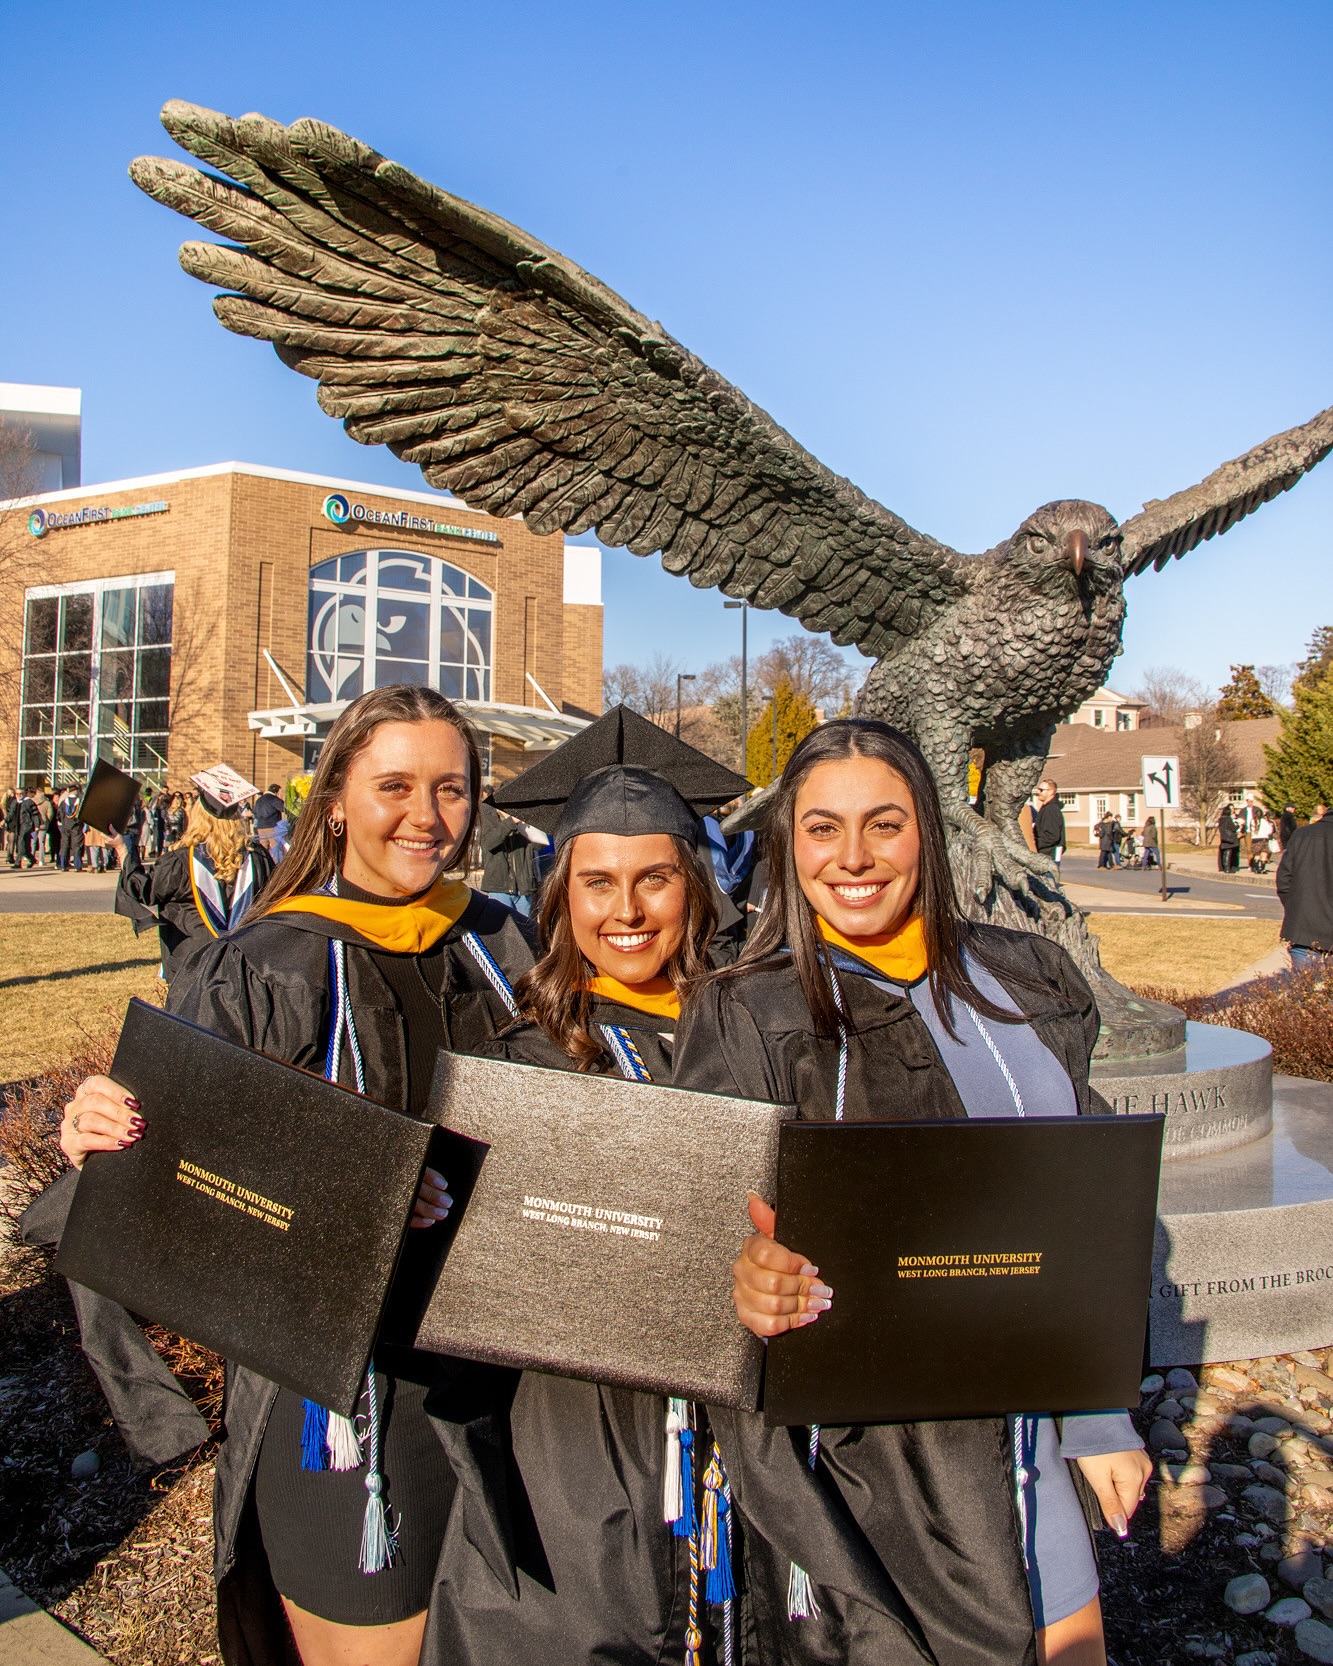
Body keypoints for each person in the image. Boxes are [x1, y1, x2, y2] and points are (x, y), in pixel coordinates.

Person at [45, 684, 538, 1666]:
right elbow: (179, 1166)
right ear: (336, 801)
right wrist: (103, 1129)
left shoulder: (503, 940)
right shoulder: (272, 958)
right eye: (394, 784)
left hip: (520, 1387)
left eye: (452, 788)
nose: (427, 815)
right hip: (354, 1409)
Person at [672, 718, 1152, 1666]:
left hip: (1025, 1425)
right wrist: (738, 1271)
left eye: (883, 824)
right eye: (821, 828)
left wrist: (1098, 1414)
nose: (852, 857)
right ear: (787, 843)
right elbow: (704, 1215)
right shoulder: (748, 1010)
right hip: (868, 1454)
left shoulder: (1029, 980)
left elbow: (1085, 1200)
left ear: (926, 833)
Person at [432, 708, 750, 1665]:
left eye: (655, 877)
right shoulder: (510, 1049)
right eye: (597, 882)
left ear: (694, 888)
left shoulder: (758, 1032)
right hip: (569, 1449)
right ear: (558, 897)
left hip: (747, 1436)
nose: (627, 910)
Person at [115, 777, 276, 981]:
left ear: (198, 815)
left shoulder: (181, 862)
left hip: (190, 970)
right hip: (243, 971)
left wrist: (122, 849)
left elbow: (143, 890)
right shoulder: (257, 858)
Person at [1277, 806, 1333, 967]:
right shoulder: (1303, 834)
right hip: (1305, 929)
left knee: (1304, 989)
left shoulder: (1302, 834)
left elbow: (1284, 880)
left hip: (1303, 929)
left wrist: (1296, 908)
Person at [476, 798, 546, 915]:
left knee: (524, 929)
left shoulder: (524, 820)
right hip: (499, 887)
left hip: (524, 887)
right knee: (503, 928)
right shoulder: (489, 815)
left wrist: (531, 825)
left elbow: (539, 846)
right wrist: (510, 822)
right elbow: (488, 843)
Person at [1032, 779, 1066, 867]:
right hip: (1044, 855)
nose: (1038, 792)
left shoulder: (1051, 810)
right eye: (1038, 789)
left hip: (1049, 857)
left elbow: (1052, 836)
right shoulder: (1046, 808)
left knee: (1048, 880)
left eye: (1041, 790)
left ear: (1051, 792)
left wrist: (1034, 843)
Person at [250, 782, 286, 854]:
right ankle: (278, 864)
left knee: (263, 848)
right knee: (276, 847)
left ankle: (264, 864)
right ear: (277, 792)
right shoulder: (274, 799)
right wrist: (281, 799)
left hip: (260, 827)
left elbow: (254, 812)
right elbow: (283, 808)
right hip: (272, 827)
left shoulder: (259, 800)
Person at [56, 786, 85, 871]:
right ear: (75, 791)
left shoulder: (63, 802)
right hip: (76, 826)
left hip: (65, 826)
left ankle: (63, 866)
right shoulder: (80, 802)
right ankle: (77, 866)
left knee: (64, 845)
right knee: (77, 845)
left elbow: (59, 815)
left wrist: (64, 822)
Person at [1217, 804, 1240, 873]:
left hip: (1224, 838)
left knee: (1225, 853)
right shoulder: (1228, 819)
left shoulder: (1221, 819)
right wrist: (1237, 825)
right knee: (1228, 853)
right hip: (1230, 838)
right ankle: (1227, 868)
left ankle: (1224, 867)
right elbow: (1233, 828)